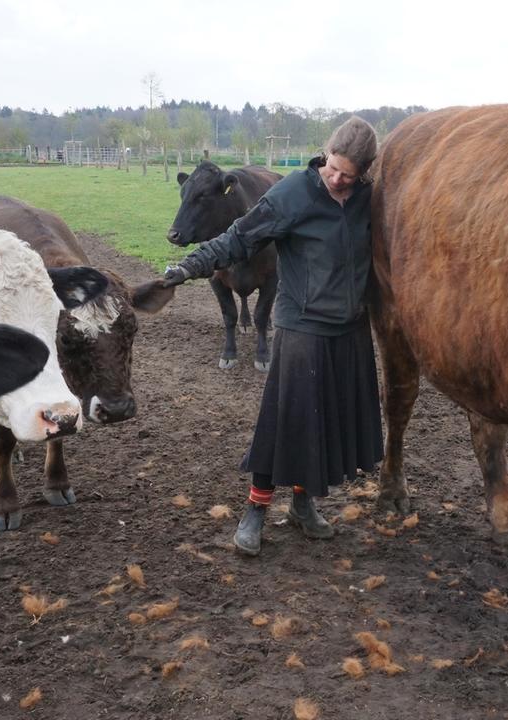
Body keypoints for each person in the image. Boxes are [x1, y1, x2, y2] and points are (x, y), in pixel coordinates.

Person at [161, 116, 384, 556]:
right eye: (333, 168)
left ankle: (303, 505)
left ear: (365, 173)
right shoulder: (292, 194)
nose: (338, 179)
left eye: (349, 175)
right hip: (303, 327)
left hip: (351, 330)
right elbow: (237, 239)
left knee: (326, 423)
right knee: (285, 421)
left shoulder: (366, 200)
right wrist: (189, 267)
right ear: (325, 153)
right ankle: (256, 511)